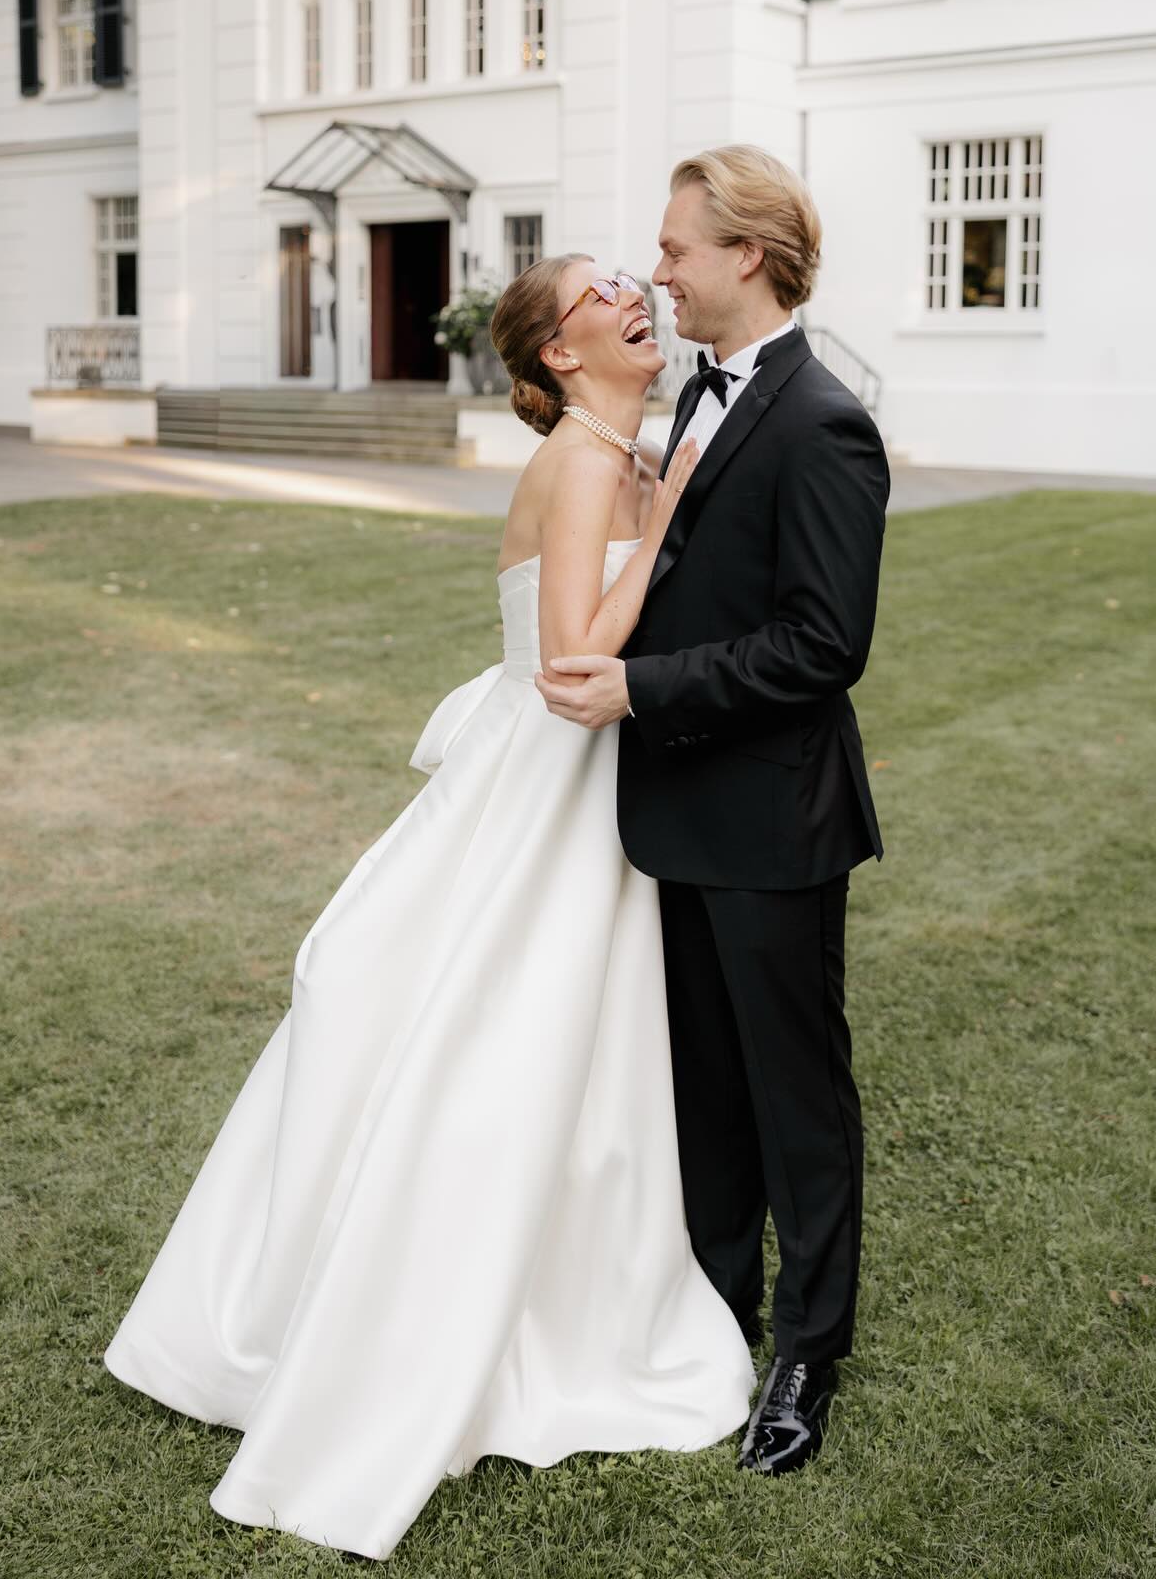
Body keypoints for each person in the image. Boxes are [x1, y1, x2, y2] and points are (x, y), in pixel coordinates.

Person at [102, 253, 754, 1562]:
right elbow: (576, 659)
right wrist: (671, 514)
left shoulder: (627, 450)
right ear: (559, 353)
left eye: (636, 280)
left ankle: (573, 1277)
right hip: (544, 786)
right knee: (492, 1046)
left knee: (578, 1050)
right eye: (600, 295)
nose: (636, 299)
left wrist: (672, 495)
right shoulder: (581, 461)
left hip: (593, 784)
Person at [537, 146, 890, 1477]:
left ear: (748, 253)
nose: (661, 270)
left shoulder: (822, 423)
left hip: (775, 823)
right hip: (672, 814)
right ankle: (713, 1321)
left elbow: (822, 647)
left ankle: (808, 1356)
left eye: (678, 248)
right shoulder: (695, 396)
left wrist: (641, 686)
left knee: (797, 1101)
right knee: (705, 1098)